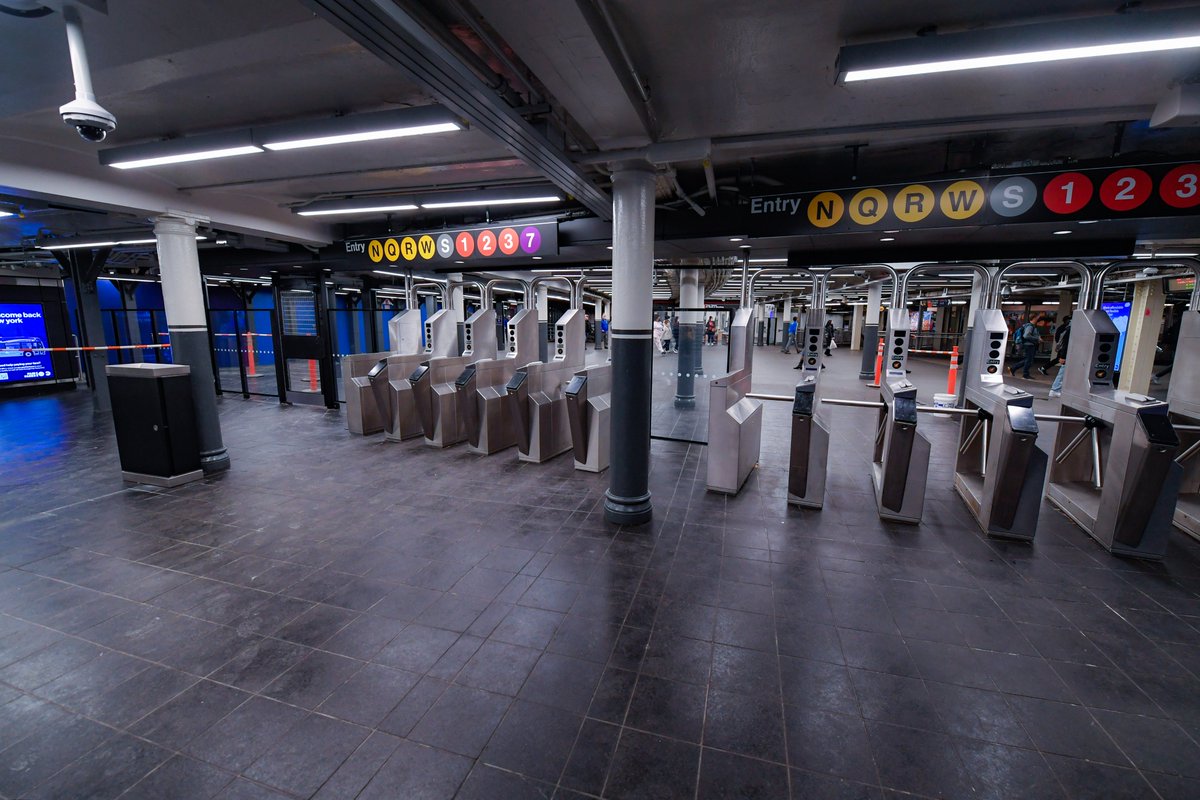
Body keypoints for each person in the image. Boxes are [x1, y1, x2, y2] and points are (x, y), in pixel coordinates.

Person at [1008, 315, 1041, 379]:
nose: (1037, 319)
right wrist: (1037, 338)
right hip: (1029, 345)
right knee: (1029, 360)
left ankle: (1013, 368)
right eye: (1037, 318)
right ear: (1033, 318)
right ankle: (1025, 374)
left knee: (1028, 360)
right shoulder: (1030, 326)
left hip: (1029, 344)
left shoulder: (1030, 326)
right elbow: (1026, 336)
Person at [1047, 317, 1071, 398]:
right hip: (1069, 353)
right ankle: (1055, 389)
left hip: (1069, 352)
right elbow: (1066, 343)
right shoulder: (1071, 328)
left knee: (1065, 370)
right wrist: (1063, 356)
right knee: (1063, 370)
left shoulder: (1069, 327)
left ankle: (1056, 389)